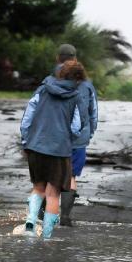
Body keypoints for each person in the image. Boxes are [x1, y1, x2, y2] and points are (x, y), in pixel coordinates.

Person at [19, 60, 89, 239]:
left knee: (38, 187)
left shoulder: (43, 89)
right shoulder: (76, 96)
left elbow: (28, 116)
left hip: (35, 146)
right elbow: (75, 127)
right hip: (59, 150)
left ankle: (31, 221)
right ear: (79, 79)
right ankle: (47, 235)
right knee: (52, 194)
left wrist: (26, 138)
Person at [46, 44, 98, 226]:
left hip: (54, 137)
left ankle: (44, 214)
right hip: (78, 139)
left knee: (51, 176)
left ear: (57, 58)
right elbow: (93, 113)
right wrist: (88, 133)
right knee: (72, 176)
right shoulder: (87, 85)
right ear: (75, 59)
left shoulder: (51, 81)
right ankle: (66, 216)